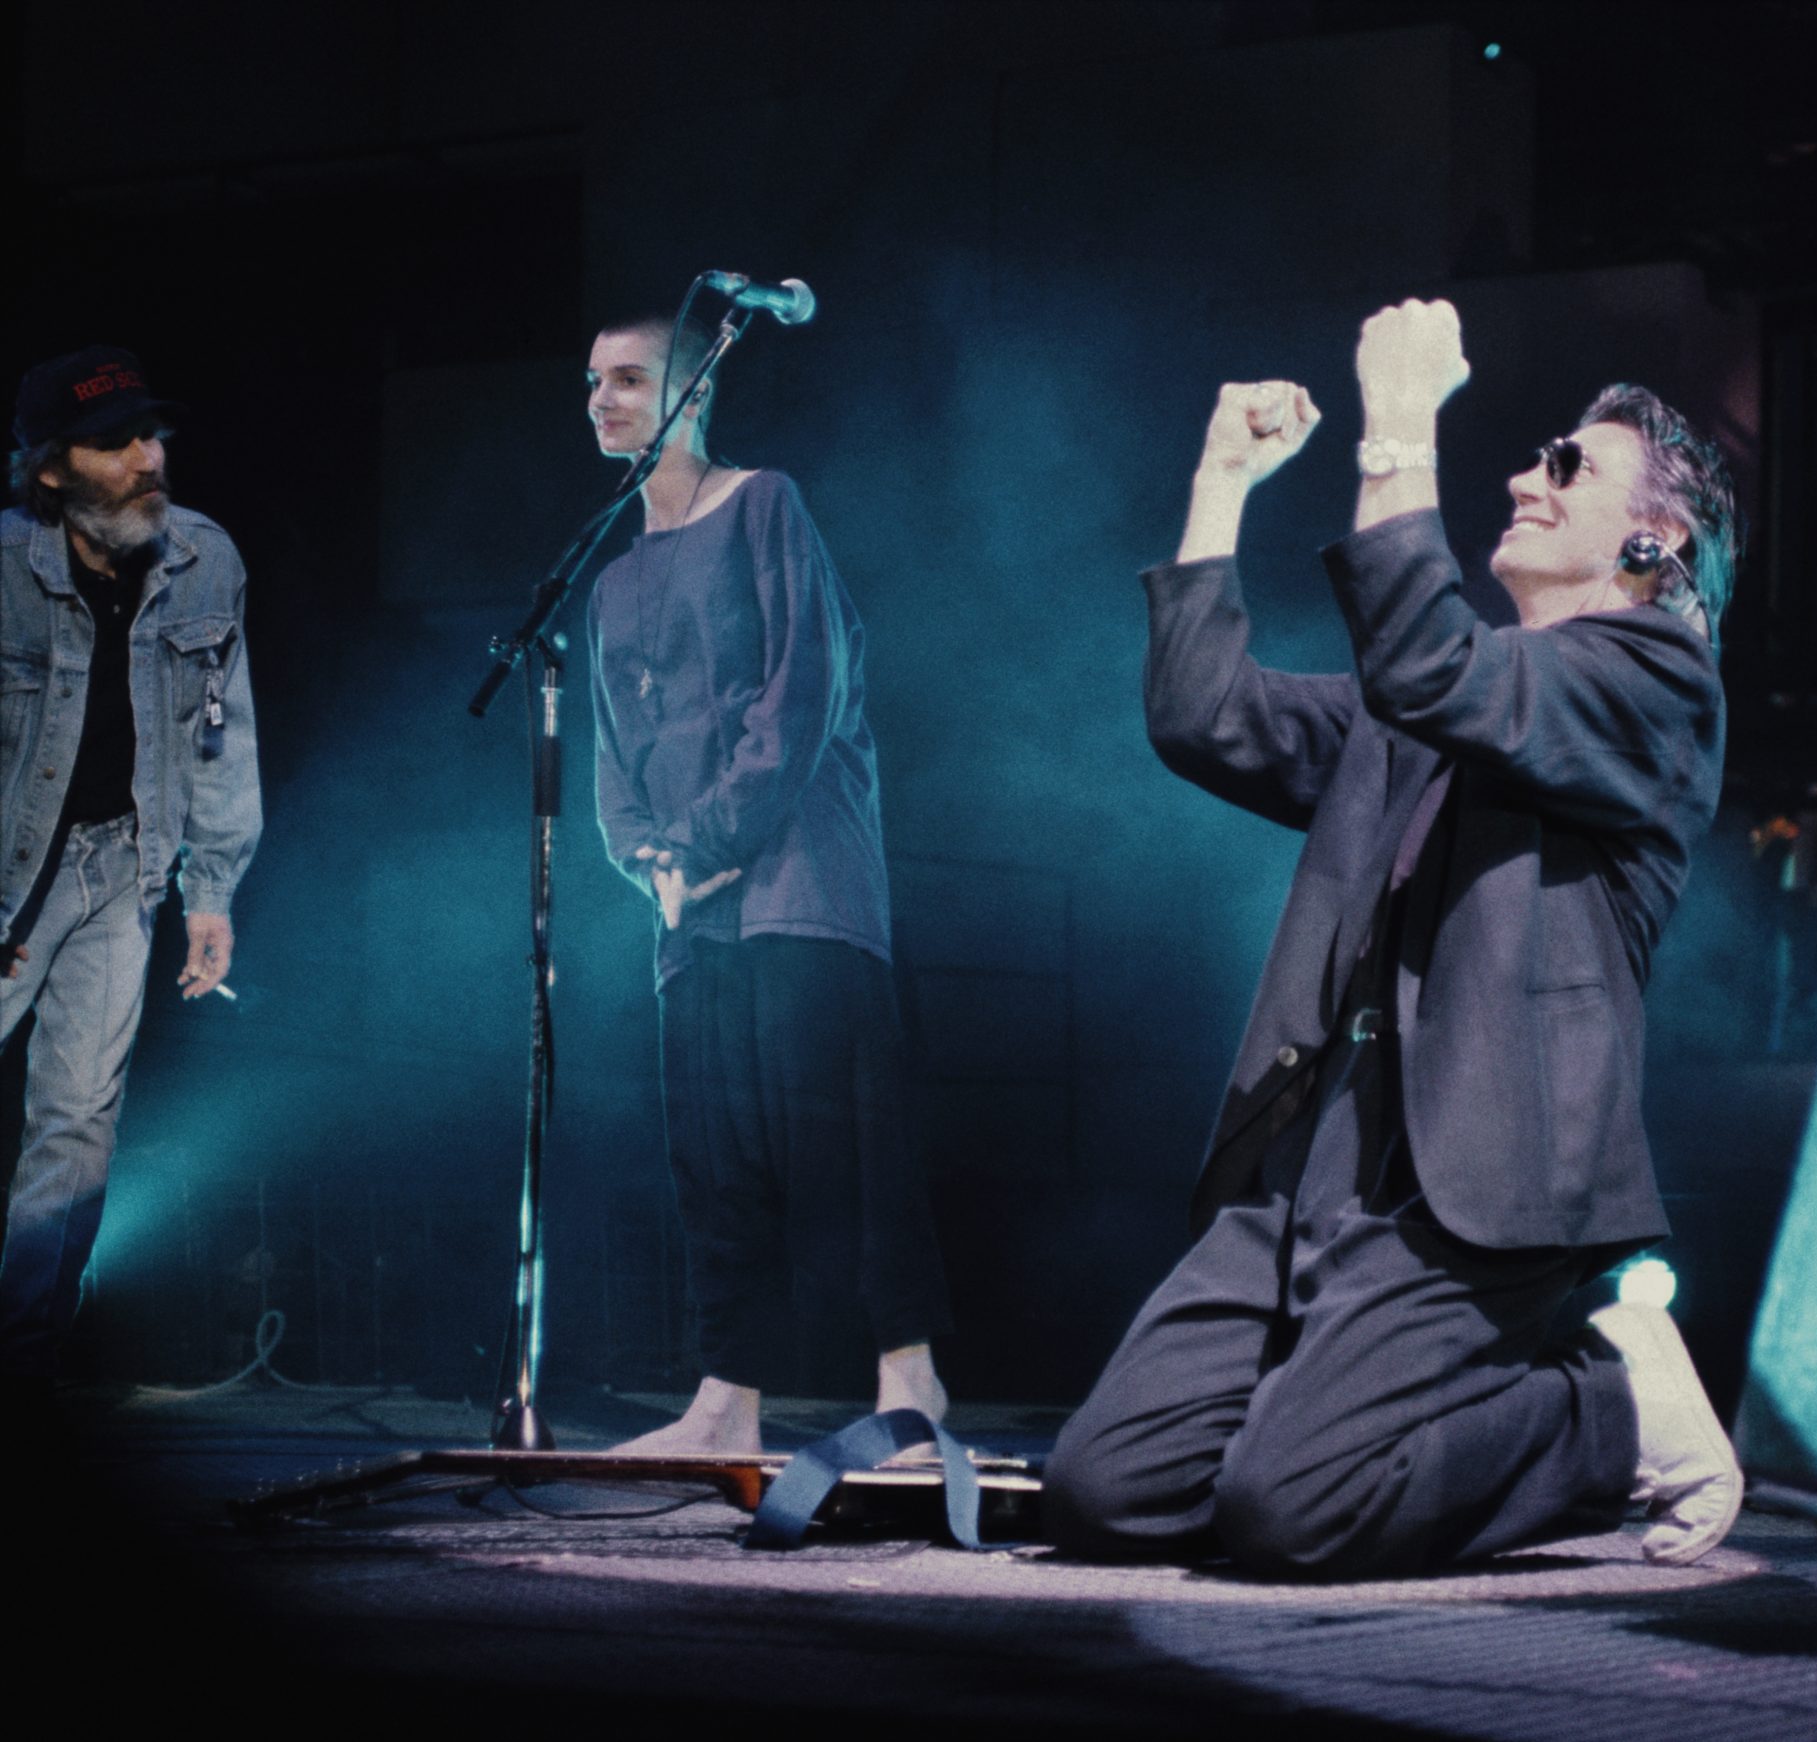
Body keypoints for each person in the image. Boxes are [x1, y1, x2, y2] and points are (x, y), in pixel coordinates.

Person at [1043, 299, 1743, 1578]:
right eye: (1534, 455)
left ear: (1657, 534)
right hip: (1313, 1167)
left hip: (1473, 1196)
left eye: (1568, 463)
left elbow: (1432, 667)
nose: (1526, 478)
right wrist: (1221, 484)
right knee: (1099, 1490)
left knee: (1288, 1510)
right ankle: (1338, 1417)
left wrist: (1400, 425)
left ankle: (1602, 1406)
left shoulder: (1654, 687)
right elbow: (1206, 715)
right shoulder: (1435, 701)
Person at [582, 312, 949, 1450]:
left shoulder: (765, 503)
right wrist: (648, 858)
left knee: (843, 1138)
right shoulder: (607, 579)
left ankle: (910, 1380)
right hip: (692, 910)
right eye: (592, 383)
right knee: (713, 1152)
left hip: (799, 878)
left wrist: (698, 839)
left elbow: (801, 690)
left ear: (692, 394)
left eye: (630, 379)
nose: (603, 399)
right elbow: (608, 752)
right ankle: (725, 1400)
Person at [2, 347, 259, 1393]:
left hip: (124, 867)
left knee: (77, 1121)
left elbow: (222, 733)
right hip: (11, 877)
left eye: (153, 435)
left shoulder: (206, 558)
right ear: (53, 468)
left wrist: (210, 891)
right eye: (116, 443)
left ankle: (22, 1352)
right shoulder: (7, 568)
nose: (149, 457)